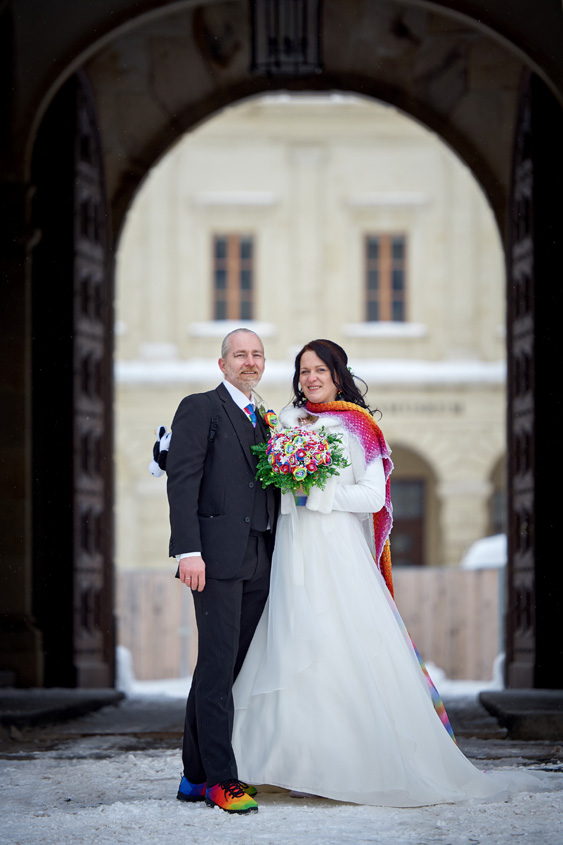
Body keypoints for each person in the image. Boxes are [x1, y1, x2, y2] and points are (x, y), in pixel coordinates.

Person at [231, 339, 540, 807]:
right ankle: (281, 763)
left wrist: (320, 495)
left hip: (336, 554)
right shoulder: (283, 422)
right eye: (303, 371)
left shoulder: (360, 426)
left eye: (320, 370)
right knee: (289, 642)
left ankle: (350, 765)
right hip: (291, 551)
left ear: (338, 374)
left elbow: (372, 497)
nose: (310, 378)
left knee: (338, 645)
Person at [166, 328, 277, 814]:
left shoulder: (266, 419)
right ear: (222, 363)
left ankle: (194, 776)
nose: (248, 362)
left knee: (228, 667)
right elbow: (182, 479)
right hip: (212, 561)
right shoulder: (200, 407)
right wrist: (187, 550)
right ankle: (222, 781)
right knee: (216, 666)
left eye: (256, 355)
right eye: (239, 355)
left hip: (259, 558)